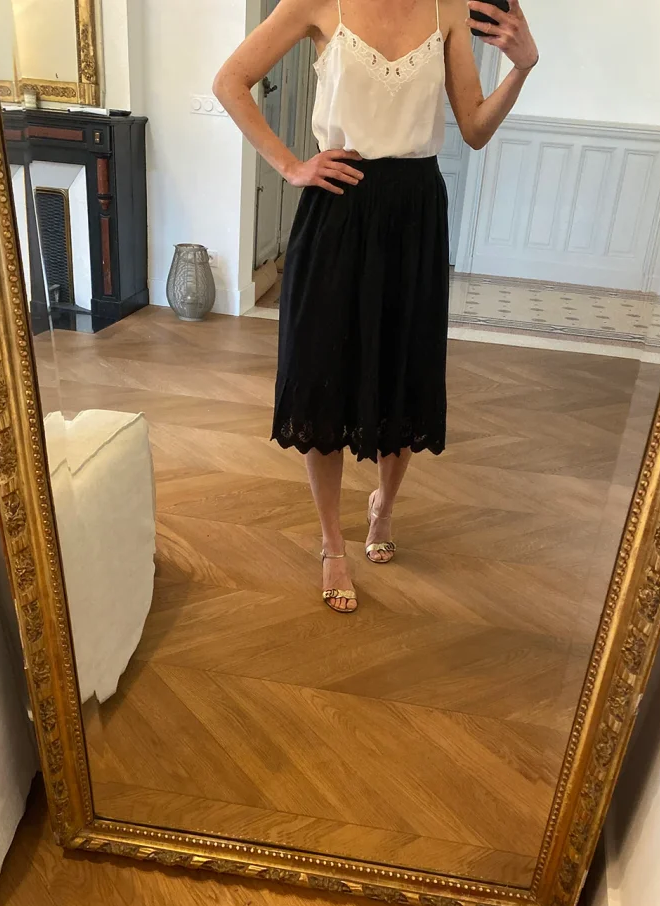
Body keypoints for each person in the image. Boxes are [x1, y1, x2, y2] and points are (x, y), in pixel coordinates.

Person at [215, 0, 538, 613]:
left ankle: (383, 507)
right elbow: (230, 81)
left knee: (403, 368)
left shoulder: (447, 8)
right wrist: (290, 165)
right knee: (323, 372)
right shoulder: (317, 2)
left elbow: (474, 128)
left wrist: (521, 68)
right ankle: (332, 540)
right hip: (338, 205)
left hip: (414, 215)